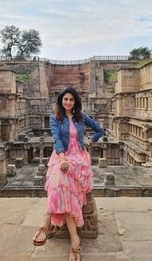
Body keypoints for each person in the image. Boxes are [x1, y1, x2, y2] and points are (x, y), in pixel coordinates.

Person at [32, 86, 104, 261]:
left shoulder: (81, 117)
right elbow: (57, 139)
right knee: (61, 181)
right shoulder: (55, 117)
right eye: (65, 99)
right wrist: (62, 159)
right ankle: (74, 239)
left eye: (71, 99)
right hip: (62, 155)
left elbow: (100, 130)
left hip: (78, 157)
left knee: (62, 180)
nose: (68, 102)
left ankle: (45, 222)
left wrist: (89, 141)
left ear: (75, 101)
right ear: (61, 101)